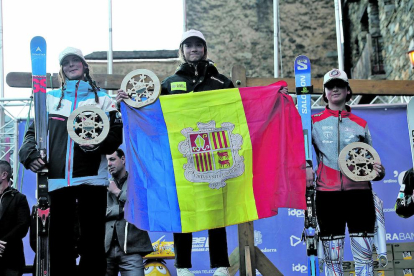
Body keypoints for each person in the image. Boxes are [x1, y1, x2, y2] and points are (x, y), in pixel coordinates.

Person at [116, 29, 232, 276]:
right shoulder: (168, 83)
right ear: (182, 51)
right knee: (184, 208)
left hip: (213, 155)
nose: (193, 50)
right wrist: (128, 103)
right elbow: (151, 114)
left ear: (204, 49)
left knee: (216, 209)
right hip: (181, 157)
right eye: (188, 46)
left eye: (198, 46)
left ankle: (221, 265)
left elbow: (239, 111)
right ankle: (183, 266)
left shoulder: (221, 82)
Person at [19, 47, 123, 276]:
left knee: (92, 243)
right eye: (66, 62)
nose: (71, 65)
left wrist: (97, 145)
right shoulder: (49, 98)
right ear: (62, 69)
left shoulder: (103, 99)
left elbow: (116, 134)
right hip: (57, 181)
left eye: (76, 61)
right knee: (59, 243)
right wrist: (30, 156)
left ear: (85, 65)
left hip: (92, 180)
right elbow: (31, 135)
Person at [308, 69, 385, 276]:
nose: (335, 89)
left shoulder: (361, 124)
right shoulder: (312, 122)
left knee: (365, 256)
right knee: (332, 259)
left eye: (340, 85)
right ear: (324, 92)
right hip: (327, 194)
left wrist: (379, 171)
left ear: (347, 90)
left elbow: (372, 161)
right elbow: (301, 153)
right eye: (330, 86)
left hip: (359, 194)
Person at [105, 149, 153, 276]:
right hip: (106, 250)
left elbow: (141, 206)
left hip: (132, 250)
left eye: (112, 159)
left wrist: (117, 192)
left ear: (123, 159)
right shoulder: (102, 184)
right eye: (107, 161)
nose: (109, 164)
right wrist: (121, 210)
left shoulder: (138, 181)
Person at [0, 160, 30, 276]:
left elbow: (23, 225)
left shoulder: (19, 198)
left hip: (12, 259)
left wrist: (2, 242)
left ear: (4, 175)